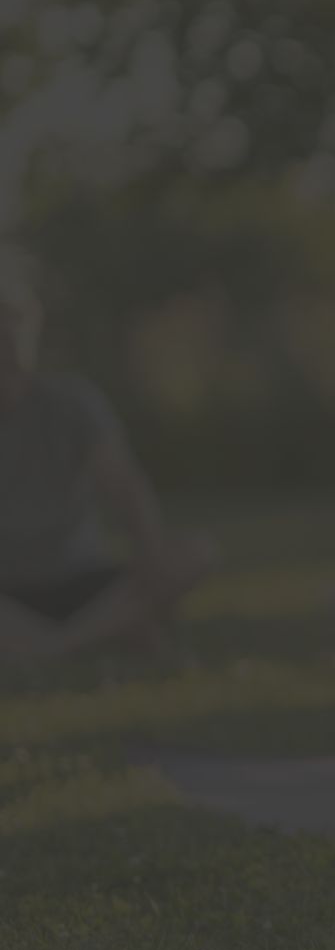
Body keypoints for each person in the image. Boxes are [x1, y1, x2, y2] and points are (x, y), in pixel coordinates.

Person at [0, 264, 219, 668]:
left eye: (11, 328)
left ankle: (54, 647)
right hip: (8, 594)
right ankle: (109, 632)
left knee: (195, 552)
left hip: (85, 581)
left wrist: (151, 562)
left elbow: (126, 489)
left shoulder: (72, 403)